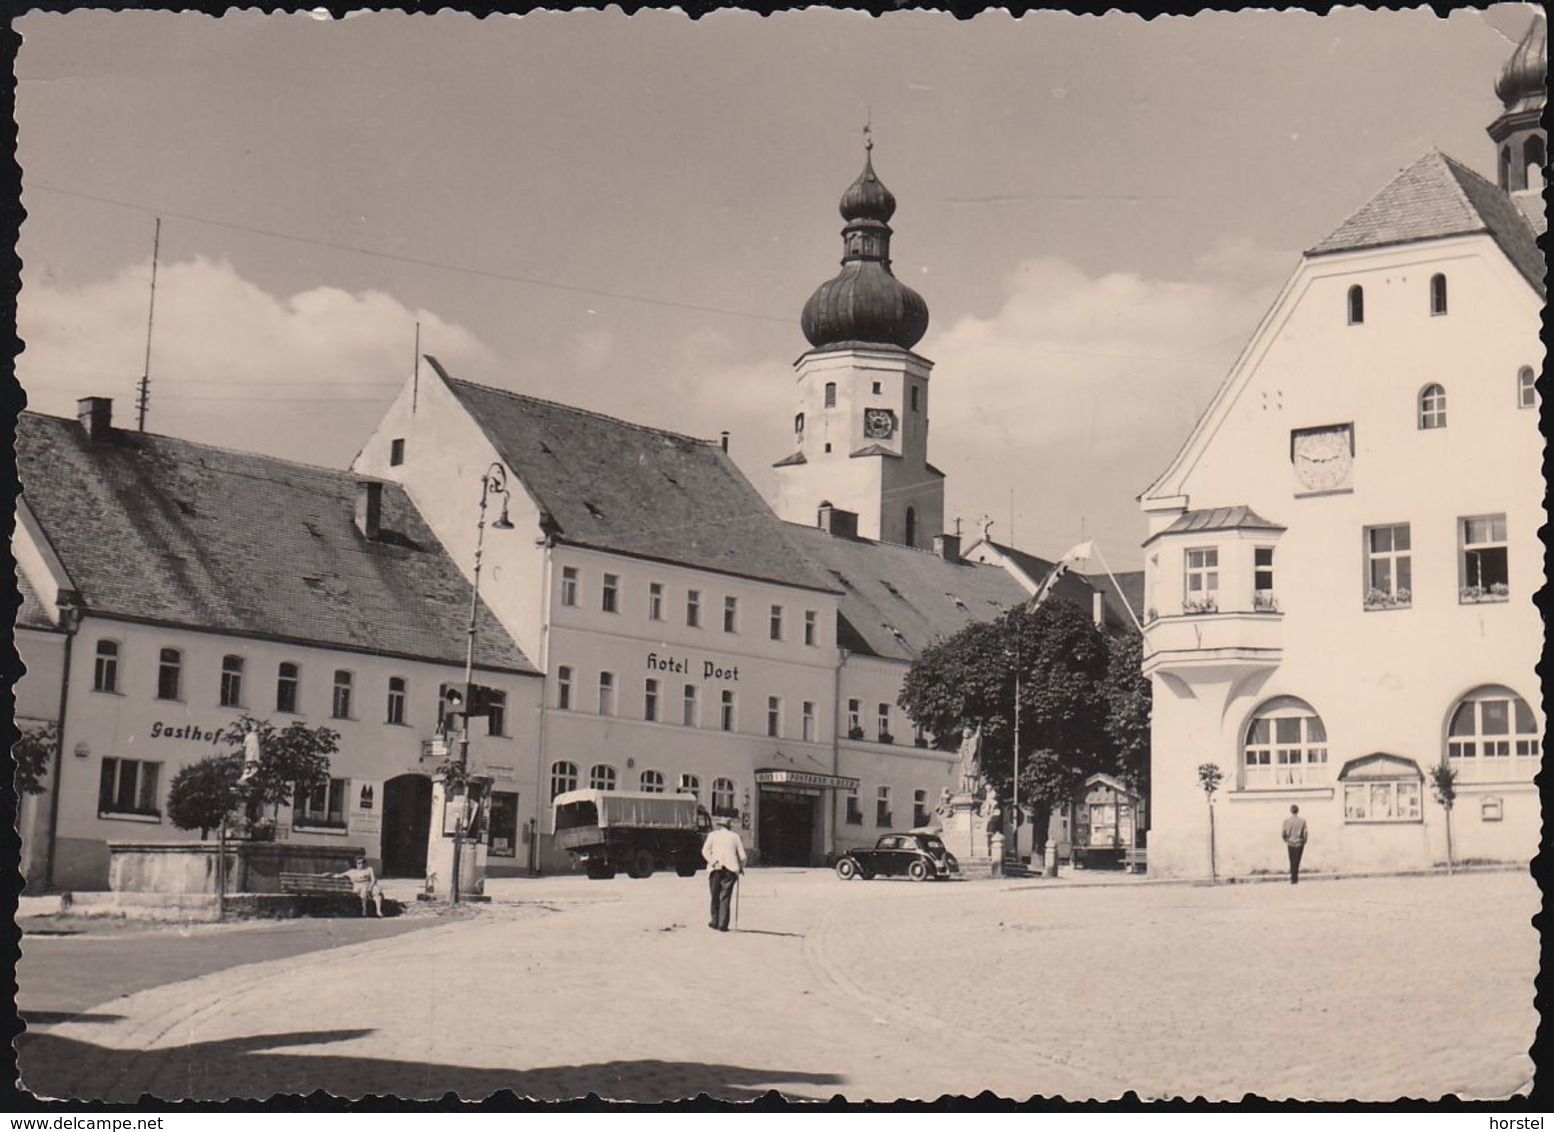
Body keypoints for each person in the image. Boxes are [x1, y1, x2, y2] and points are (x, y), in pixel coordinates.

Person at [701, 815, 746, 932]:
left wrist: (712, 861)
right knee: (725, 897)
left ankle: (714, 921)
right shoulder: (735, 837)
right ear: (729, 827)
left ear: (720, 826)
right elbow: (743, 856)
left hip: (715, 868)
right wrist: (741, 867)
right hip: (731, 870)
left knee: (714, 895)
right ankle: (723, 924)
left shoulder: (713, 835)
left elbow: (704, 851)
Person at [1281, 804, 1308, 885]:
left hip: (1290, 843)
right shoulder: (1303, 821)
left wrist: (1286, 840)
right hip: (1299, 843)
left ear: (1291, 811)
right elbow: (1305, 833)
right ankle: (1295, 877)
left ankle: (1293, 878)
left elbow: (1283, 833)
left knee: (1292, 860)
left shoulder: (1286, 821)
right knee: (1297, 860)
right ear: (1298, 811)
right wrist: (1304, 841)